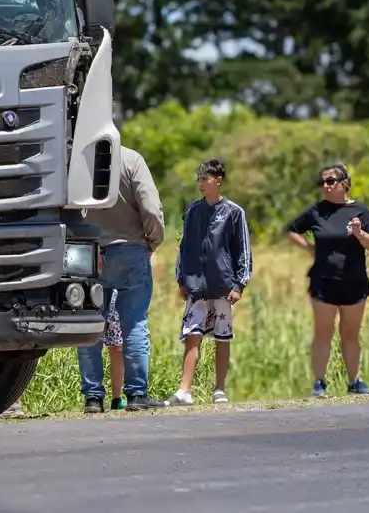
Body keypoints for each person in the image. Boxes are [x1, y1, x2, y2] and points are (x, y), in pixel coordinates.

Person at [76, 103, 168, 413]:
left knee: (90, 326)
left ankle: (92, 398)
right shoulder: (132, 160)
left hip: (89, 255)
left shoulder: (82, 164)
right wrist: (152, 242)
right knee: (134, 324)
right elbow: (152, 210)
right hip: (130, 250)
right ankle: (137, 395)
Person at [283, 162, 369, 398]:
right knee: (323, 332)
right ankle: (319, 382)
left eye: (330, 181)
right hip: (323, 281)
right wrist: (308, 248)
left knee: (350, 332)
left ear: (344, 183)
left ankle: (354, 381)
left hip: (354, 281)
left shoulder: (360, 211)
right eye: (322, 182)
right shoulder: (317, 211)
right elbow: (291, 229)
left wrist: (360, 234)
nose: (325, 186)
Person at [168, 158, 252, 406]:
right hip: (196, 285)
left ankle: (219, 389)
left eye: (205, 179)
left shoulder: (234, 213)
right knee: (192, 335)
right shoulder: (192, 211)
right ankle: (185, 390)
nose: (201, 184)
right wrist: (181, 279)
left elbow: (243, 251)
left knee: (222, 336)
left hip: (223, 285)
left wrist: (239, 284)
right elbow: (184, 247)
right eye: (199, 179)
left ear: (218, 181)